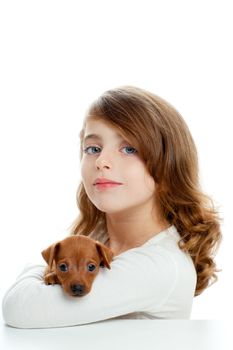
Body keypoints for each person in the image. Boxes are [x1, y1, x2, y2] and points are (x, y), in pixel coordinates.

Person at [2, 86, 222, 328]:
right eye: (93, 149)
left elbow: (20, 308)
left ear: (168, 170)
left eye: (129, 149)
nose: (102, 161)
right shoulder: (98, 241)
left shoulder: (159, 265)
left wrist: (43, 265)